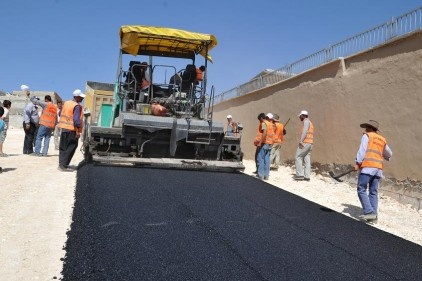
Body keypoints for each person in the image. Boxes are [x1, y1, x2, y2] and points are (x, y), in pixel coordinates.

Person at [355, 120, 392, 222]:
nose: (365, 129)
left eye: (366, 127)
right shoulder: (382, 139)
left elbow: (362, 150)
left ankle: (369, 212)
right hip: (378, 169)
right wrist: (385, 157)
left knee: (361, 189)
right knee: (373, 192)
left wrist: (358, 162)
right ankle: (374, 216)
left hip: (367, 167)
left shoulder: (367, 136)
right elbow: (389, 154)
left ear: (370, 128)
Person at [57, 89, 85, 172]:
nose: (82, 99)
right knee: (71, 146)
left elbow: (60, 113)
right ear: (76, 97)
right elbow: (76, 120)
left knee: (63, 147)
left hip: (64, 129)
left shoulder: (66, 103)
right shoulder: (77, 106)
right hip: (72, 130)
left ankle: (61, 164)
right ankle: (64, 165)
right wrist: (78, 130)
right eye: (81, 97)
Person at [253, 113, 274, 180]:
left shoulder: (264, 123)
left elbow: (264, 133)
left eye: (260, 120)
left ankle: (261, 175)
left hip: (264, 143)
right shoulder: (271, 124)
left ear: (261, 118)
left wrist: (260, 142)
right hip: (269, 143)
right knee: (266, 159)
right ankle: (266, 175)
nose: (260, 121)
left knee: (260, 158)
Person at [294, 110, 314, 181]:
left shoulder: (306, 121)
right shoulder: (310, 123)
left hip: (305, 142)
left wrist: (301, 141)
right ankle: (307, 176)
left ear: (303, 115)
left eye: (300, 116)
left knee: (298, 157)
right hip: (310, 143)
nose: (300, 117)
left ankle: (299, 175)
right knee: (307, 159)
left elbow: (305, 132)